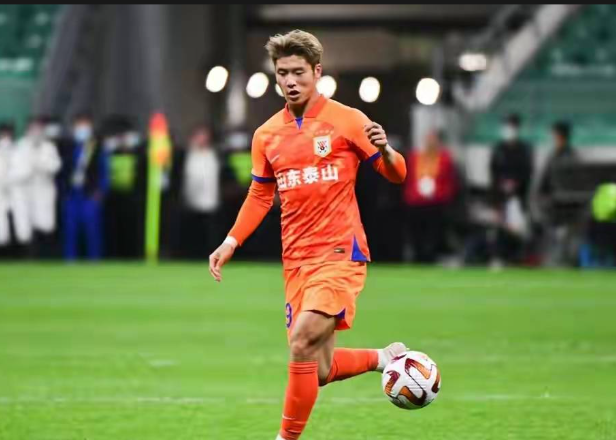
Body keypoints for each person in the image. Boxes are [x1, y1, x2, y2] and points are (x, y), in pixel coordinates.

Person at [208, 30, 408, 440]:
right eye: (283, 73)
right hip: (297, 261)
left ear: (317, 72)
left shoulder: (348, 120)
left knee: (300, 342)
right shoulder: (266, 135)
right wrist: (231, 241)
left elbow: (397, 174)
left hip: (340, 253)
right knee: (318, 368)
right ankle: (383, 358)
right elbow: (260, 195)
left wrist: (387, 151)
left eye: (298, 72)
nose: (291, 81)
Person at [403, 130, 458, 263]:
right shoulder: (415, 158)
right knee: (416, 234)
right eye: (429, 139)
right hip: (416, 203)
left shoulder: (444, 159)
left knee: (433, 235)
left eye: (433, 140)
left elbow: (449, 181)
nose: (430, 143)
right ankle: (418, 257)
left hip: (435, 204)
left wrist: (442, 195)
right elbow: (409, 179)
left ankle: (430, 258)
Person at [60, 113, 109, 260]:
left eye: (85, 126)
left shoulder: (97, 147)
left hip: (90, 195)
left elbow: (104, 171)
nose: (82, 129)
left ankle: (94, 259)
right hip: (72, 194)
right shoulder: (67, 147)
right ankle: (70, 259)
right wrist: (63, 193)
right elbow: (61, 172)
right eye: (79, 126)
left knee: (92, 229)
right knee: (70, 230)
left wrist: (100, 192)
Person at [175, 125, 221, 260]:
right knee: (192, 234)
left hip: (211, 203)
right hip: (190, 203)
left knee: (210, 233)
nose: (202, 139)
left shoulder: (215, 155)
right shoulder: (185, 155)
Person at [20, 116, 62, 258]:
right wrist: (28, 170)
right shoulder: (21, 146)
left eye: (39, 129)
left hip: (44, 191)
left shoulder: (49, 147)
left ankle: (46, 256)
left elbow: (56, 166)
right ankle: (28, 256)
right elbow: (15, 169)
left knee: (46, 224)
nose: (36, 132)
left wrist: (41, 166)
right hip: (25, 191)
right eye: (33, 129)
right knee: (26, 226)